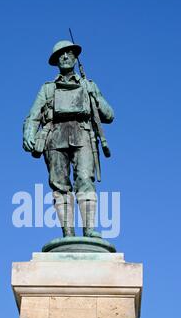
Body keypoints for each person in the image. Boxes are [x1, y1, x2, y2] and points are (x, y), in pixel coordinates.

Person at [23, 40, 114, 238]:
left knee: (85, 179)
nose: (64, 57)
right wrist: (29, 132)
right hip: (55, 137)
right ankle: (68, 233)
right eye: (60, 55)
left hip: (83, 133)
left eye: (68, 53)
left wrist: (95, 96)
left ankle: (89, 229)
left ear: (75, 57)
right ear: (56, 61)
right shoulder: (47, 89)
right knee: (59, 185)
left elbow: (109, 115)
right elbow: (33, 115)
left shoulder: (89, 85)